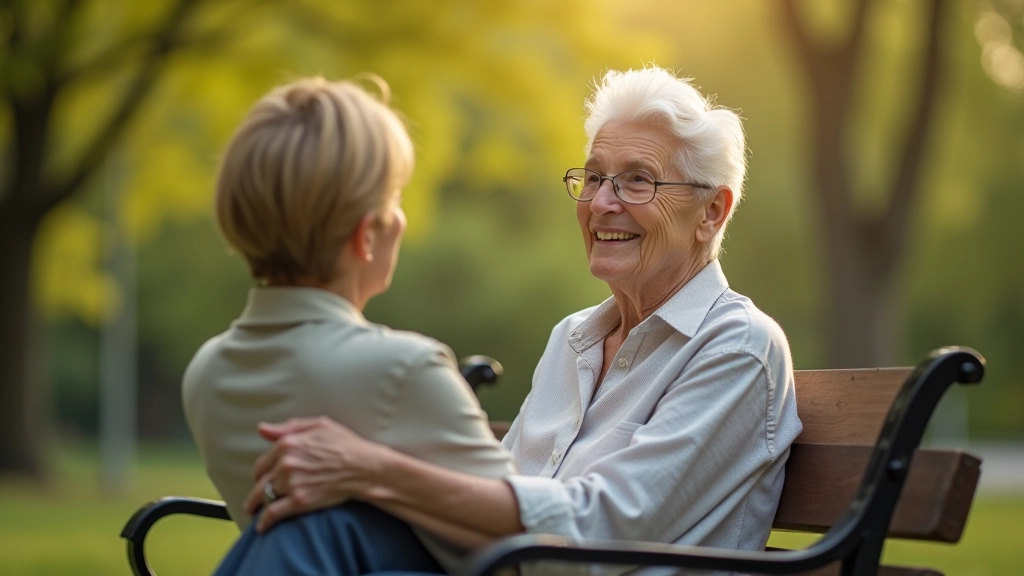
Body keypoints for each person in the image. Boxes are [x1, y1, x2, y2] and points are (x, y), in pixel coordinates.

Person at [241, 66, 803, 574]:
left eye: (637, 180)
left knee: (320, 533)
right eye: (594, 177)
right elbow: (498, 499)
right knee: (317, 527)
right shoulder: (574, 338)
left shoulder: (738, 348)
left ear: (712, 212)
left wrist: (374, 471)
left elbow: (599, 532)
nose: (601, 202)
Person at [181, 76, 516, 575]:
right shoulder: (403, 368)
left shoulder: (206, 373)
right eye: (395, 198)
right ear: (365, 236)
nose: (401, 218)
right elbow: (537, 542)